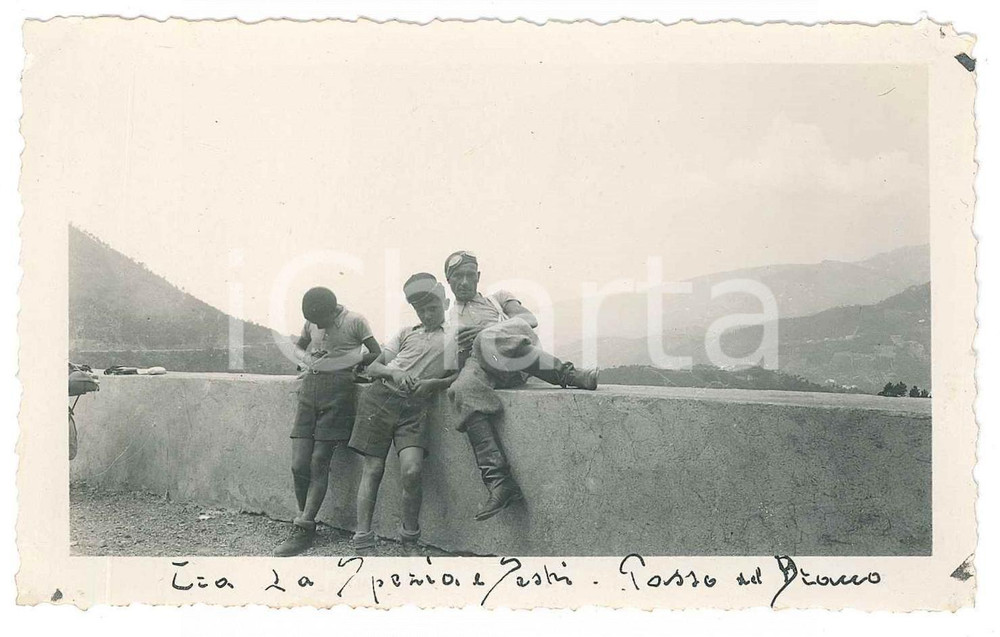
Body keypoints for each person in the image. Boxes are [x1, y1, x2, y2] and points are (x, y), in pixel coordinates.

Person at [443, 250, 598, 522]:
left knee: (485, 340)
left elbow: (529, 320)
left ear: (478, 276)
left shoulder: (498, 298)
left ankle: (569, 375)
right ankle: (499, 482)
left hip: (518, 356)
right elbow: (451, 365)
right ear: (449, 280)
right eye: (458, 277)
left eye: (470, 275)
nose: (465, 282)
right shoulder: (449, 320)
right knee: (462, 389)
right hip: (483, 367)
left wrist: (487, 332)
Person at [348, 273, 459, 554]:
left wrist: (435, 384)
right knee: (373, 469)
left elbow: (458, 375)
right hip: (380, 399)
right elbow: (373, 368)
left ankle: (409, 539)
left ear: (444, 304)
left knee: (412, 470)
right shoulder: (406, 333)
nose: (427, 314)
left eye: (432, 308)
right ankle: (363, 539)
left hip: (415, 407)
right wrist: (394, 372)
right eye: (421, 309)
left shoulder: (454, 337)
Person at [273, 287, 381, 557]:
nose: (317, 326)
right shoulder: (312, 321)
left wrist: (346, 361)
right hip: (310, 391)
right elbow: (299, 348)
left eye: (321, 320)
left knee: (319, 460)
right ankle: (305, 521)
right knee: (299, 464)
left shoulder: (355, 321)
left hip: (339, 395)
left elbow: (376, 352)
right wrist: (308, 359)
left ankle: (304, 526)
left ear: (333, 310)